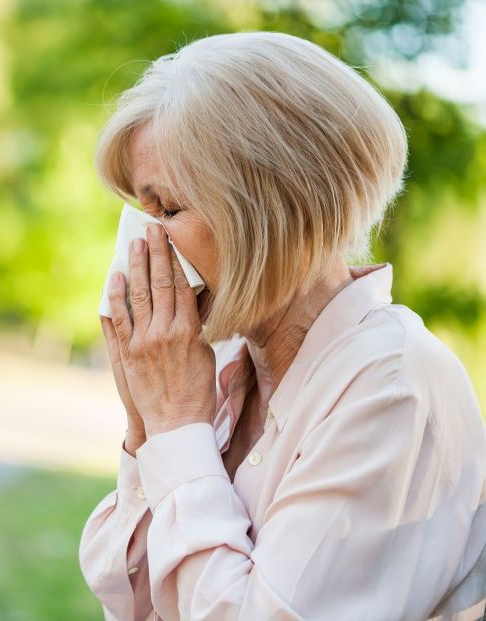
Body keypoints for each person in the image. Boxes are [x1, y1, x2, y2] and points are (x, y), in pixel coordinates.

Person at [79, 31, 486, 621]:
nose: (146, 244)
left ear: (268, 211)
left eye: (167, 209)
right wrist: (148, 428)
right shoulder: (224, 376)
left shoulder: (392, 386)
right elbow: (131, 600)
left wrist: (173, 426)